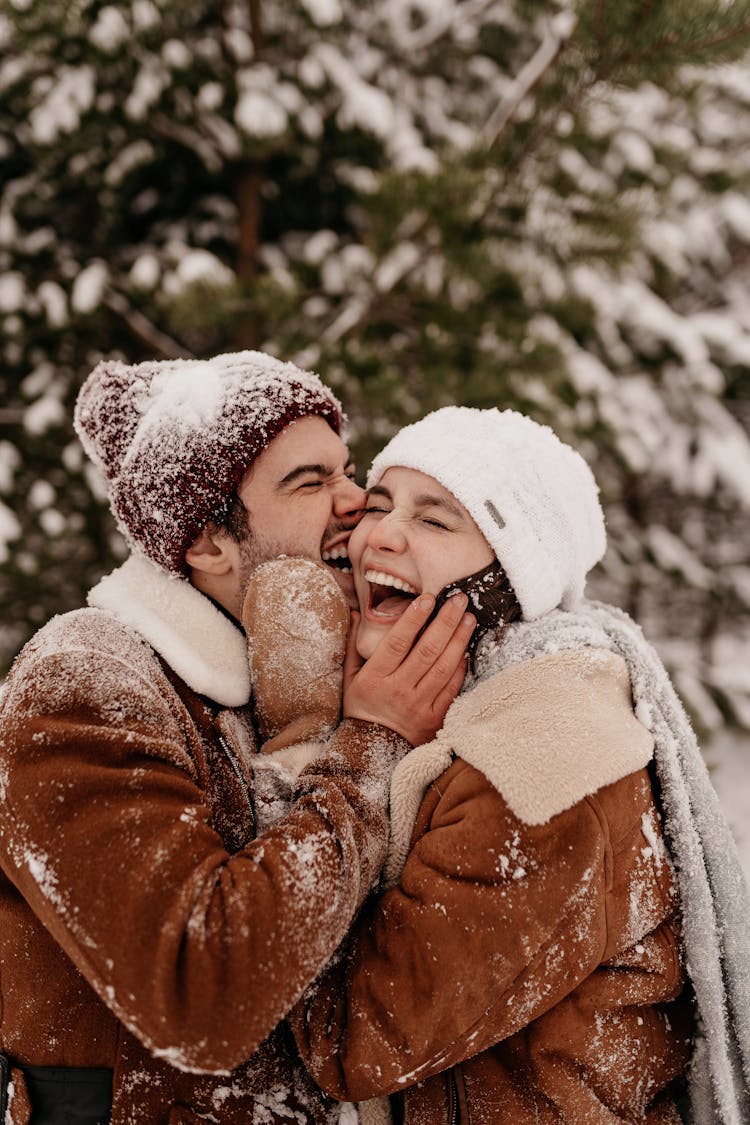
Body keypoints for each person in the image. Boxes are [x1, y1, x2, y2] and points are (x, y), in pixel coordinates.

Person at [0, 352, 476, 1124]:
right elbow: (197, 989)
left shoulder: (290, 677)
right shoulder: (85, 685)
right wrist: (370, 745)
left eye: (346, 470)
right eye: (311, 481)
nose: (356, 501)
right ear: (208, 542)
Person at [284, 406, 750, 1124]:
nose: (382, 532)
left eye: (436, 520)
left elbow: (352, 1037)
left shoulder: (545, 763)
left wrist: (363, 745)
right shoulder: (478, 724)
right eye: (378, 504)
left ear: (509, 575)